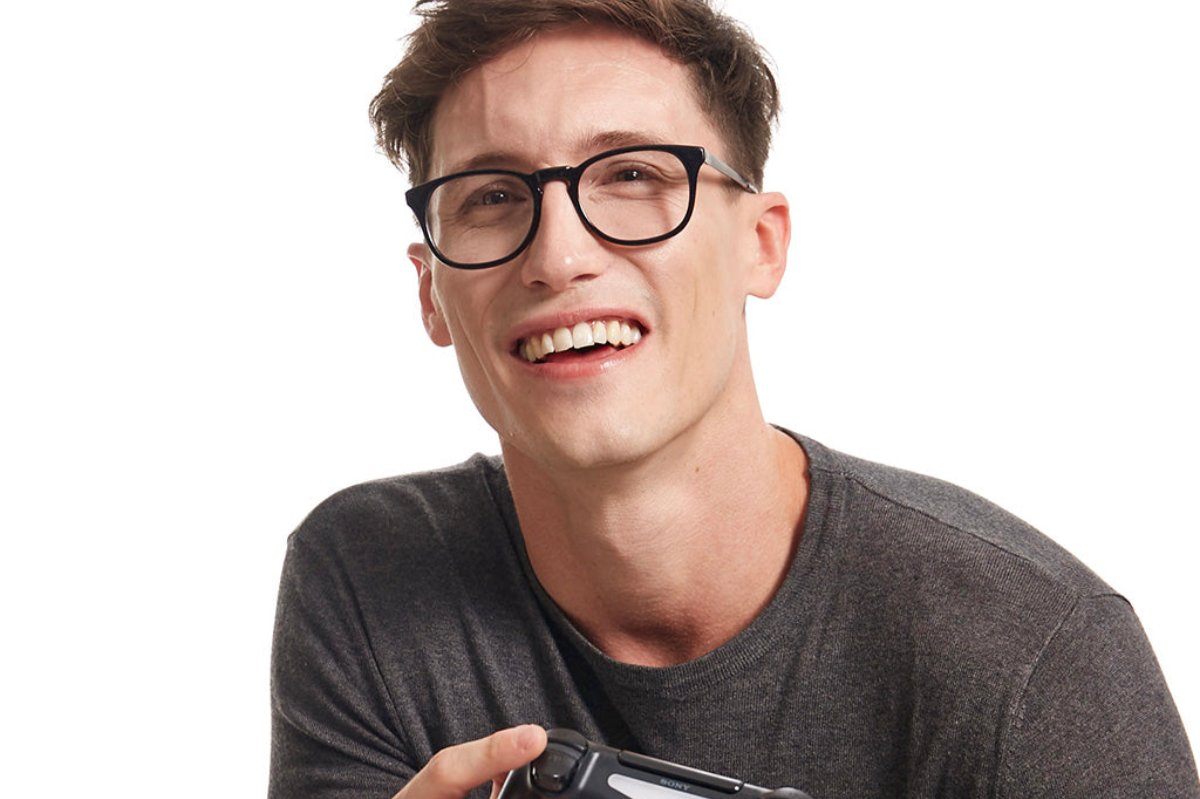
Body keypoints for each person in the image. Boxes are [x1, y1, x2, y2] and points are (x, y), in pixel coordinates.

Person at [269, 1, 1199, 797]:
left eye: (633, 176)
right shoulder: (366, 578)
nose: (558, 255)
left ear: (762, 243)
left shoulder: (1035, 651)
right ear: (431, 292)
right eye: (491, 196)